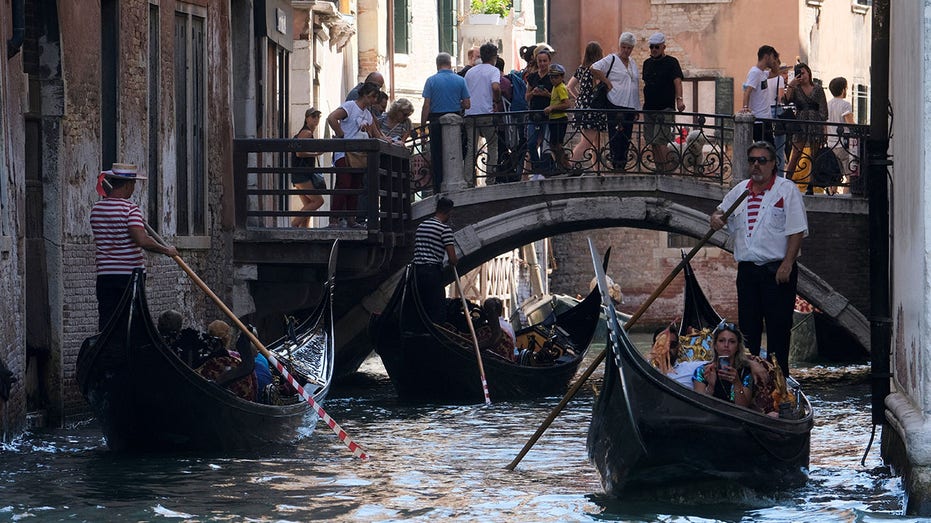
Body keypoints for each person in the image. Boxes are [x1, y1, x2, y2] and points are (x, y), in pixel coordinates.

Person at [710, 141, 808, 376]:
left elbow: (797, 231)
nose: (756, 165)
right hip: (748, 271)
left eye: (762, 160)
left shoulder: (787, 190)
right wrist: (715, 218)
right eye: (752, 160)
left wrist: (787, 264)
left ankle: (779, 381)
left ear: (773, 164)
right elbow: (720, 213)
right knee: (748, 331)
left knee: (778, 330)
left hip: (777, 271)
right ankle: (748, 379)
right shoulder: (740, 190)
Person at [91, 163, 178, 331]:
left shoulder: (96, 209)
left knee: (107, 321)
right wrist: (167, 250)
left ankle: (108, 355)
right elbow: (141, 240)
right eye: (134, 184)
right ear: (128, 185)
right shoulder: (131, 209)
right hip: (129, 276)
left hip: (105, 275)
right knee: (132, 322)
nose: (134, 188)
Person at [326, 82, 384, 228]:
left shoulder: (368, 114)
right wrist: (341, 134)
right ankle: (334, 219)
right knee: (344, 184)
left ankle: (351, 219)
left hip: (358, 154)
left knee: (355, 186)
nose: (372, 101)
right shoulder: (350, 106)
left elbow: (376, 133)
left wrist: (390, 141)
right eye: (371, 97)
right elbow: (332, 117)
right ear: (365, 95)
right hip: (344, 152)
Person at [421, 53, 471, 193]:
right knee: (457, 152)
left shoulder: (431, 81)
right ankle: (457, 182)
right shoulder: (460, 80)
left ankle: (438, 187)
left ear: (437, 65)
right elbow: (467, 104)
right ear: (450, 64)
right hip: (455, 119)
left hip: (436, 122)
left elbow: (426, 105)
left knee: (437, 155)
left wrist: (423, 127)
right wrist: (456, 103)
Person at [590, 32, 640, 171]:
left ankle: (622, 166)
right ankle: (616, 166)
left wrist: (637, 108)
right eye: (624, 47)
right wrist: (606, 81)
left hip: (630, 106)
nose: (626, 50)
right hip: (615, 103)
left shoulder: (633, 63)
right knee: (615, 137)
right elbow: (594, 68)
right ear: (620, 46)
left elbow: (635, 85)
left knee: (626, 138)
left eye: (629, 48)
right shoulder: (611, 59)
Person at [641, 32, 685, 173]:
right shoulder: (646, 63)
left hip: (665, 108)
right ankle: (659, 170)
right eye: (652, 47)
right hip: (648, 108)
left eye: (657, 47)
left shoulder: (672, 62)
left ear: (663, 47)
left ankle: (667, 171)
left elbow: (677, 82)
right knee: (652, 141)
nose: (654, 50)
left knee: (661, 140)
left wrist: (679, 100)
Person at [412, 197, 458, 324]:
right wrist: (453, 261)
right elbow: (453, 258)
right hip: (432, 273)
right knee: (436, 308)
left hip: (416, 271)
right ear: (449, 212)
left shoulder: (421, 226)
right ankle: (435, 333)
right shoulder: (445, 230)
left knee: (421, 304)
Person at [463, 42, 503, 183]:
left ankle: (468, 180)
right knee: (492, 144)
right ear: (494, 57)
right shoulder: (493, 70)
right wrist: (496, 100)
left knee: (471, 149)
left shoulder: (470, 71)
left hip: (469, 114)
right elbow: (496, 87)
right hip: (485, 113)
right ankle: (490, 180)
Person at [692, 322, 755, 407]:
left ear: (737, 347)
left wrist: (737, 383)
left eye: (732, 342)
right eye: (721, 341)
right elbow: (699, 407)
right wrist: (711, 387)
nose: (726, 345)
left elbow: (743, 409)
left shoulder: (745, 372)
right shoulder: (703, 371)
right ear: (715, 345)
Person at [784, 62, 829, 180]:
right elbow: (786, 100)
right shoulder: (796, 89)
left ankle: (812, 183)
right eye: (799, 74)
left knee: (815, 155)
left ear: (809, 73)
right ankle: (787, 180)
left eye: (803, 73)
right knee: (796, 153)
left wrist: (824, 129)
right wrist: (791, 85)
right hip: (800, 123)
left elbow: (823, 110)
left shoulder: (818, 89)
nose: (802, 76)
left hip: (815, 122)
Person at [567, 41, 606, 171]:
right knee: (587, 142)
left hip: (581, 106)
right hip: (593, 107)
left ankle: (598, 171)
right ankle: (569, 165)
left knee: (596, 143)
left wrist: (578, 97)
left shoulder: (581, 69)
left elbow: (569, 86)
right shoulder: (596, 70)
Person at [291, 107, 326, 228]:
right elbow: (299, 153)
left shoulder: (306, 132)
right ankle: (294, 224)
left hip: (300, 173)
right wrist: (316, 154)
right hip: (302, 174)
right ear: (307, 119)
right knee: (318, 201)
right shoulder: (307, 133)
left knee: (309, 205)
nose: (316, 119)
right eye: (313, 116)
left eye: (318, 116)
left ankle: (303, 231)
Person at [739, 45, 780, 143]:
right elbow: (747, 91)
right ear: (766, 57)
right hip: (759, 120)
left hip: (765, 119)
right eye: (772, 57)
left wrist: (776, 60)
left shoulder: (762, 73)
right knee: (766, 151)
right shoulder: (755, 72)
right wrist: (745, 108)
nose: (774, 60)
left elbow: (775, 72)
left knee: (769, 150)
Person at [524, 48, 555, 177]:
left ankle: (545, 170)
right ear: (537, 62)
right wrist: (533, 92)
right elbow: (527, 97)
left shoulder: (554, 77)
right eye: (540, 61)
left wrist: (547, 94)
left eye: (545, 61)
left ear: (549, 61)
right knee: (531, 142)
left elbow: (558, 97)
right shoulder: (532, 77)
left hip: (547, 114)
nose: (542, 64)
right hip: (534, 114)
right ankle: (537, 168)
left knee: (545, 144)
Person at [827, 76, 857, 188]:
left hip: (831, 144)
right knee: (849, 175)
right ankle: (846, 195)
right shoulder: (845, 105)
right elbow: (850, 123)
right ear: (843, 89)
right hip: (843, 144)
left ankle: (832, 194)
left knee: (835, 174)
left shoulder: (828, 104)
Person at [543, 63, 572, 172]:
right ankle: (560, 165)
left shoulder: (560, 88)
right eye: (551, 77)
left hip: (559, 119)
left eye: (556, 77)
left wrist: (552, 108)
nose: (553, 79)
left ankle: (566, 165)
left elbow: (567, 104)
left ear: (562, 77)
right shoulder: (556, 88)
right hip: (554, 119)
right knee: (553, 144)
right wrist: (548, 95)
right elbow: (557, 99)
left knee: (557, 144)